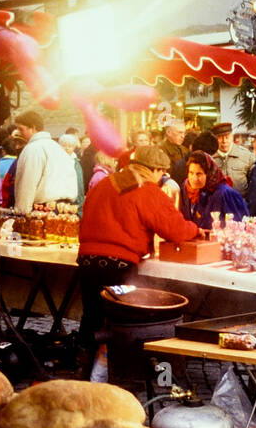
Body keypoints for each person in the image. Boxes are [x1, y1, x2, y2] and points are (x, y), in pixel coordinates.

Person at [77, 145, 200, 375]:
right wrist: (195, 229)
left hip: (87, 260)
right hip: (119, 265)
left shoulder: (104, 183)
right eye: (162, 173)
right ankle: (121, 372)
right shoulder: (147, 190)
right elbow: (175, 229)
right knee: (122, 319)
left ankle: (82, 368)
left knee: (91, 314)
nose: (162, 178)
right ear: (153, 170)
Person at [11, 111, 77, 213]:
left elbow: (28, 184)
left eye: (21, 129)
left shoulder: (33, 149)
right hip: (65, 209)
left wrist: (21, 212)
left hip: (43, 210)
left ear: (32, 128)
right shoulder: (57, 147)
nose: (19, 132)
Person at [180, 149, 248, 230]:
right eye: (191, 173)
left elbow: (238, 227)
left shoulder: (225, 193)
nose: (194, 178)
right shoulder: (186, 188)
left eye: (199, 174)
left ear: (209, 174)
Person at [212, 123, 254, 195]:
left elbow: (255, 183)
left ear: (232, 137)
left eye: (227, 137)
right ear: (215, 139)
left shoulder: (246, 155)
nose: (224, 141)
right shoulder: (209, 158)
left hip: (240, 203)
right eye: (220, 137)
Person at [58, 131, 87, 207]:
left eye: (70, 146)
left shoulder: (76, 161)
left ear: (74, 148)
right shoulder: (57, 161)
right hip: (62, 200)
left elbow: (80, 182)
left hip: (76, 198)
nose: (67, 148)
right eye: (64, 145)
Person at [160, 118, 189, 185]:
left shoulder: (185, 150)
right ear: (168, 132)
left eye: (184, 133)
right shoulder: (160, 150)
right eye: (179, 132)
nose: (183, 136)